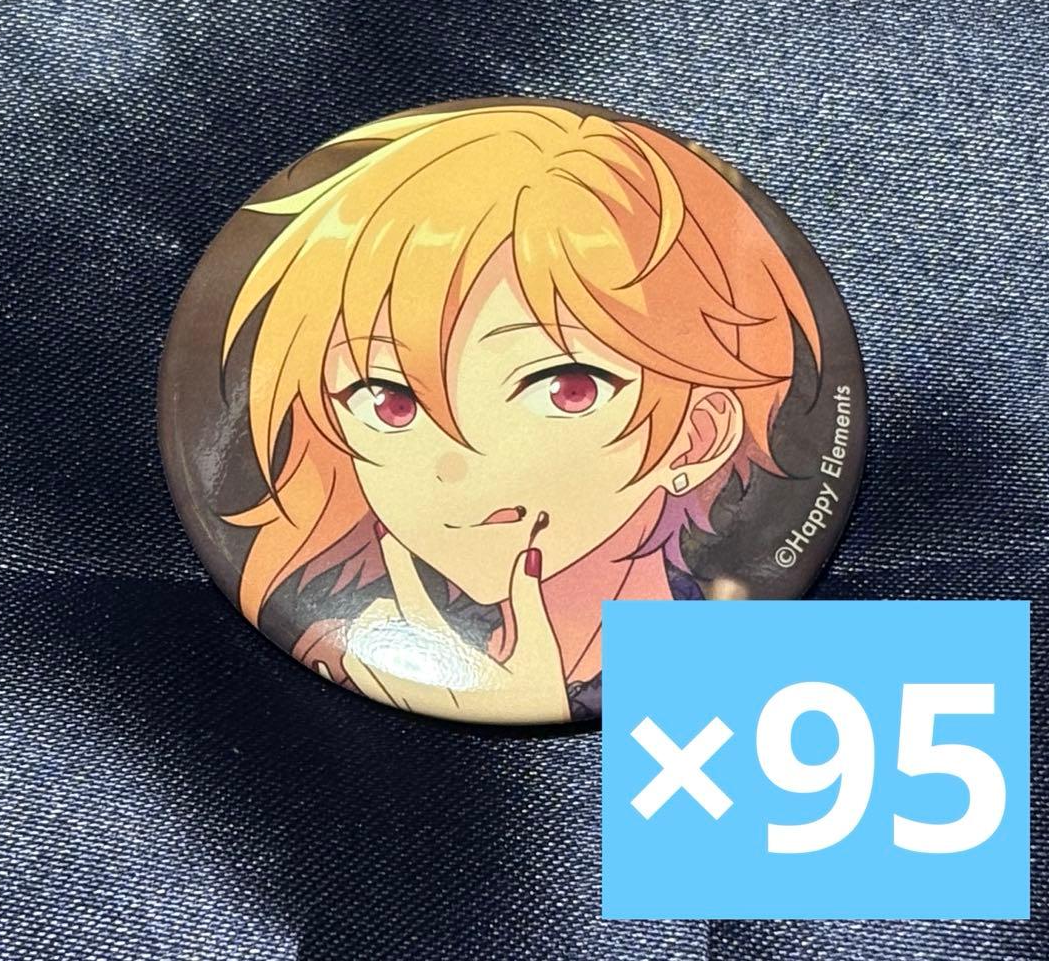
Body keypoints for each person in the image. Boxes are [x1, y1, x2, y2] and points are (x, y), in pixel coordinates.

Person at [222, 103, 820, 722]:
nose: (454, 465)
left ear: (697, 436)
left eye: (567, 390)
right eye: (391, 401)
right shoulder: (342, 647)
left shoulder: (764, 688)